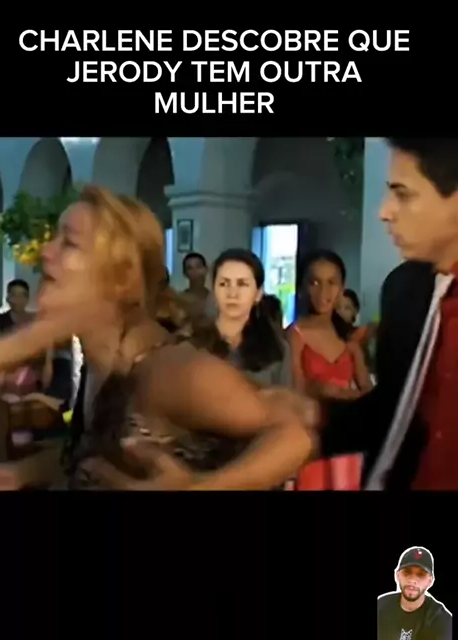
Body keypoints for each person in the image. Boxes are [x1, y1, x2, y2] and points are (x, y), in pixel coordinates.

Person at [0, 186, 315, 491]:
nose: (45, 252)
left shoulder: (166, 370)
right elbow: (104, 449)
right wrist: (24, 472)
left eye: (69, 243)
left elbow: (294, 435)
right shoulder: (102, 364)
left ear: (122, 277)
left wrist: (199, 488)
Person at [320, 138, 458, 490]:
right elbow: (392, 412)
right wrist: (307, 417)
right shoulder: (403, 291)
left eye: (403, 195)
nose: (384, 211)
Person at [286, 250, 373, 490]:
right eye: (314, 282)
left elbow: (369, 394)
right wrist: (320, 390)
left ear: (342, 288)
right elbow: (295, 391)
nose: (323, 292)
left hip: (348, 438)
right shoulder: (296, 334)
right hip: (310, 437)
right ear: (302, 287)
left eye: (331, 283)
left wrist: (340, 394)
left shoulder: (348, 339)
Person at [191, 248, 292, 388]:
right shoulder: (193, 344)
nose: (232, 294)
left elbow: (285, 398)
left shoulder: (277, 348)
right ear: (214, 291)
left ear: (258, 294)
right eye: (224, 284)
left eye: (242, 284)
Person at [378, 547, 451, 640]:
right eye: (407, 572)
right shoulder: (381, 606)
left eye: (421, 574)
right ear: (397, 575)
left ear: (430, 581)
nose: (412, 580)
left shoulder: (441, 620)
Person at [180, 252, 216, 321]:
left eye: (199, 267)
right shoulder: (179, 300)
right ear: (185, 273)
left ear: (206, 269)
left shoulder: (215, 300)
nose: (195, 271)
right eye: (190, 268)